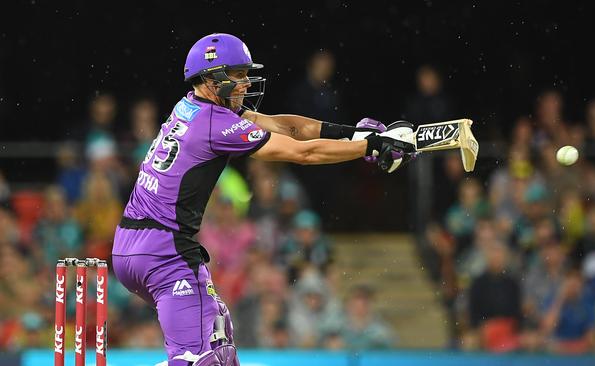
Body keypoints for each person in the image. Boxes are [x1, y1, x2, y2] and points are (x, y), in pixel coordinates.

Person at [112, 33, 418, 366]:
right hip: (165, 252)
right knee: (200, 360)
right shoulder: (214, 123)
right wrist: (370, 147)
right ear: (212, 78)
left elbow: (287, 127)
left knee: (222, 345)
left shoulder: (191, 106)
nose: (245, 83)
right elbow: (303, 153)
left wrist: (351, 133)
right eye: (238, 74)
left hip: (131, 247)